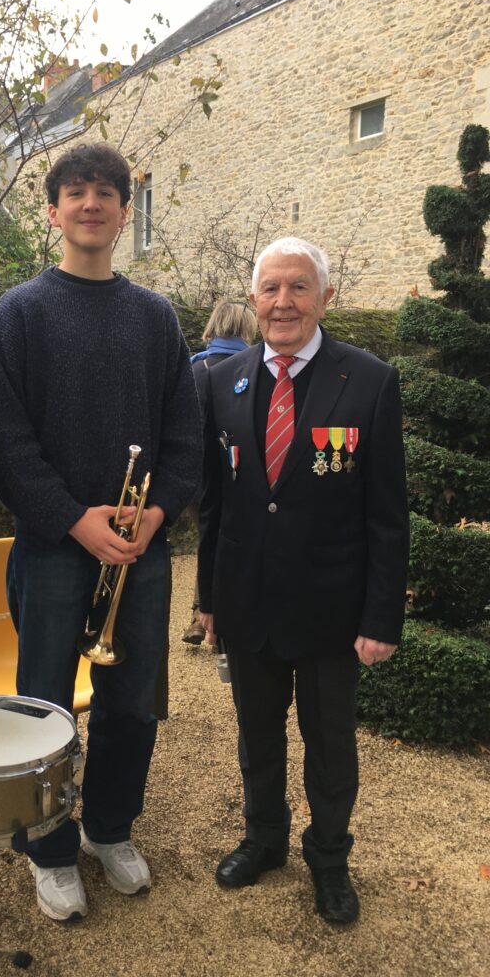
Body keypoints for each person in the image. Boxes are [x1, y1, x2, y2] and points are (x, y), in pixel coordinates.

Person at [0, 143, 200, 922]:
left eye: (108, 192)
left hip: (140, 548)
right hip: (52, 546)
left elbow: (184, 436)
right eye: (77, 193)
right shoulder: (21, 311)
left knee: (133, 701)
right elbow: (4, 440)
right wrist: (76, 519)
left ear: (124, 208)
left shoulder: (155, 316)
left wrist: (154, 515)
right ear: (53, 211)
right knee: (42, 704)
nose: (93, 204)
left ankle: (109, 827)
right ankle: (47, 847)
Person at [197, 236, 409, 924]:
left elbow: (387, 514)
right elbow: (216, 505)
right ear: (253, 298)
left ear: (325, 298)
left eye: (297, 288)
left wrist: (381, 618)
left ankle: (329, 859)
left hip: (331, 610)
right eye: (270, 288)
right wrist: (207, 600)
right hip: (247, 602)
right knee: (257, 735)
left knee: (330, 745)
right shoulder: (221, 383)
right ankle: (264, 839)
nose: (282, 302)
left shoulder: (370, 380)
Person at [181, 299, 256, 645]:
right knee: (235, 545)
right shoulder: (254, 369)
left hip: (194, 479)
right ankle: (213, 619)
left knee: (209, 539)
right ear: (246, 329)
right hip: (243, 479)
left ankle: (203, 617)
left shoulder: (192, 370)